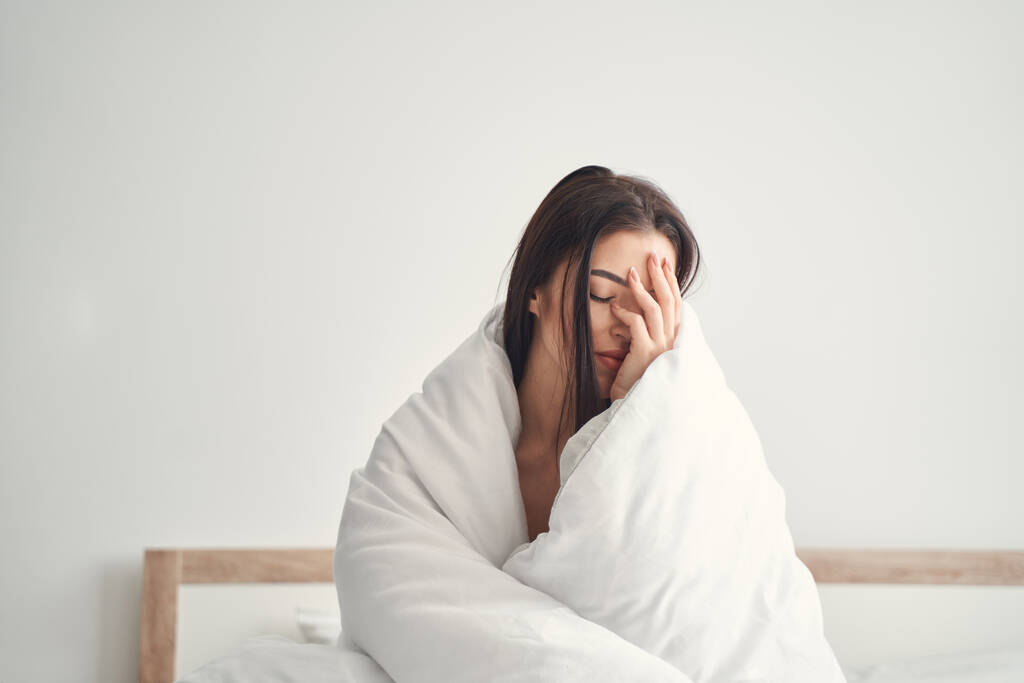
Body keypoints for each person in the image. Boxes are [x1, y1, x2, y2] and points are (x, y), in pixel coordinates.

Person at [500, 164, 703, 541]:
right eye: (600, 295)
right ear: (533, 290)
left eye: (651, 305)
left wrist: (634, 411)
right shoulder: (444, 457)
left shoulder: (688, 459)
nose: (631, 327)